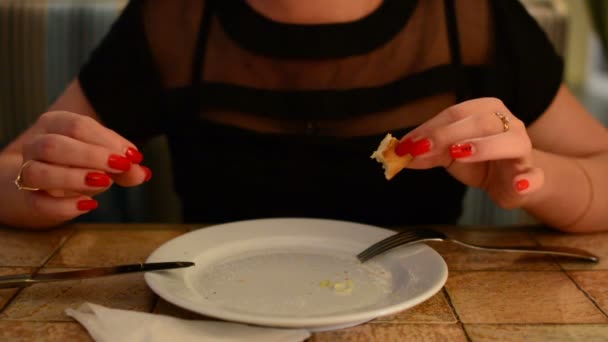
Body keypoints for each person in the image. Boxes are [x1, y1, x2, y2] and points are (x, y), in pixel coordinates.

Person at [1, 0, 607, 232]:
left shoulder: (470, 19)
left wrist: (537, 180)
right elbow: (13, 170)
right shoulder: (172, 19)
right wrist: (34, 184)